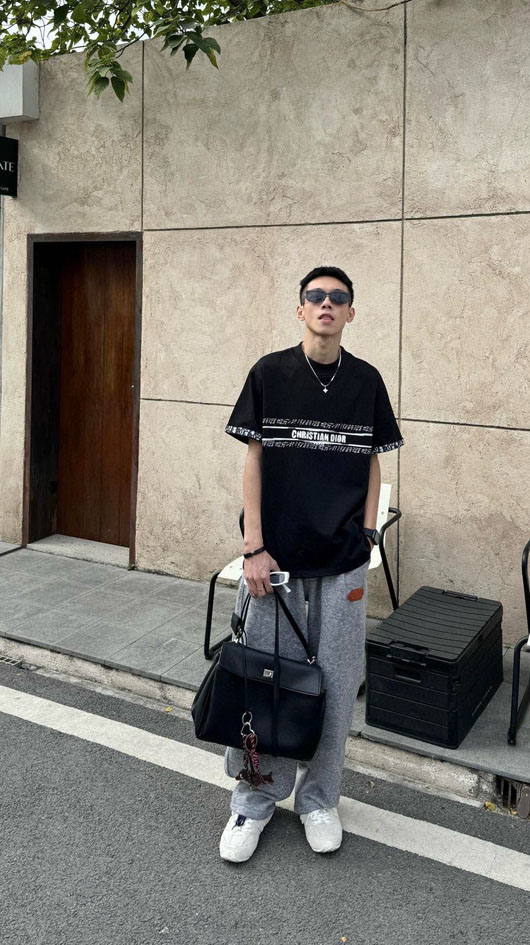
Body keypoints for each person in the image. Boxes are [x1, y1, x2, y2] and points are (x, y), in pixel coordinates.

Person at [219, 265, 403, 863]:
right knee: (263, 681)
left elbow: (372, 459)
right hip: (275, 563)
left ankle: (319, 798)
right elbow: (253, 460)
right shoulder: (269, 373)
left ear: (351, 312)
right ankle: (254, 800)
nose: (327, 304)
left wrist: (368, 532)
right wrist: (253, 546)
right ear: (300, 309)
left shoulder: (367, 381)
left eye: (338, 297)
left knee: (338, 683)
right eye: (316, 296)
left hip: (343, 563)